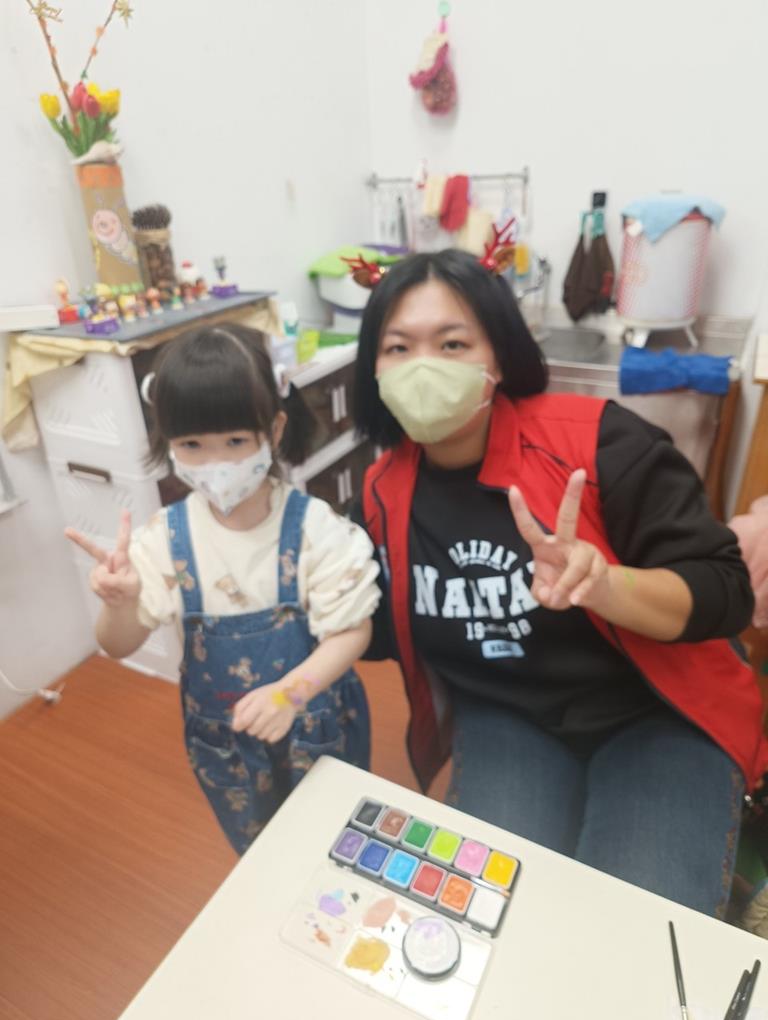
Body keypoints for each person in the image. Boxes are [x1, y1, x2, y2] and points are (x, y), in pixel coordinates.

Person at [350, 247, 768, 917]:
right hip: (507, 717)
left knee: (628, 929)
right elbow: (382, 629)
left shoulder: (597, 443)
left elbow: (725, 591)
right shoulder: (381, 492)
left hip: (658, 712)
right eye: (399, 347)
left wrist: (607, 586)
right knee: (491, 915)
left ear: (497, 357)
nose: (424, 367)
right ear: (374, 368)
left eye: (452, 343)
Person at [66, 323, 379, 855]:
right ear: (167, 441)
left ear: (274, 430)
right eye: (192, 445)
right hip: (226, 747)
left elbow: (353, 632)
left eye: (235, 441)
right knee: (263, 852)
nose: (216, 464)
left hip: (317, 724)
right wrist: (120, 603)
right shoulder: (164, 540)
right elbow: (116, 645)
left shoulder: (315, 529)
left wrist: (291, 693)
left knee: (336, 840)